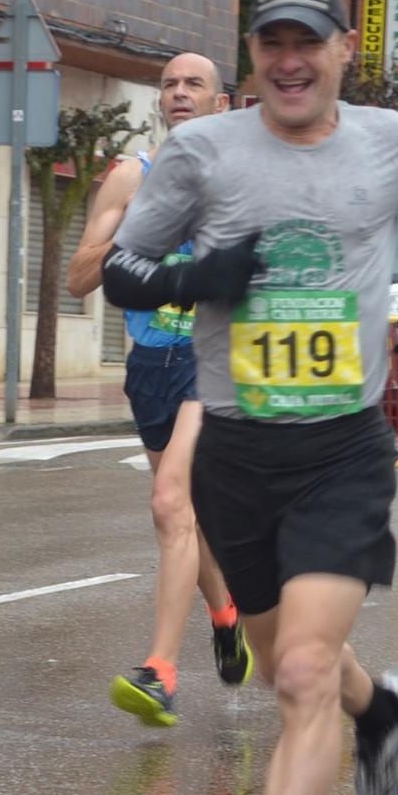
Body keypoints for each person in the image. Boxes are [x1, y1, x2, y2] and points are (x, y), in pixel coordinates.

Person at [102, 0, 398, 795]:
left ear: (341, 48)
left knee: (302, 671)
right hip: (237, 448)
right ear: (251, 56)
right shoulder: (200, 153)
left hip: (341, 446)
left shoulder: (391, 142)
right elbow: (120, 269)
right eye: (269, 41)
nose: (287, 59)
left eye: (304, 41)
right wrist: (199, 278)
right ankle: (383, 709)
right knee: (288, 664)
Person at [66, 51, 252, 727]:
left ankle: (160, 671)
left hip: (214, 364)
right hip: (151, 364)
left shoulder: (243, 180)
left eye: (193, 83)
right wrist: (136, 230)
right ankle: (227, 616)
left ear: (221, 103)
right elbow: (79, 279)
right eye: (169, 84)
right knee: (183, 518)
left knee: (171, 503)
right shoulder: (128, 177)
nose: (178, 92)